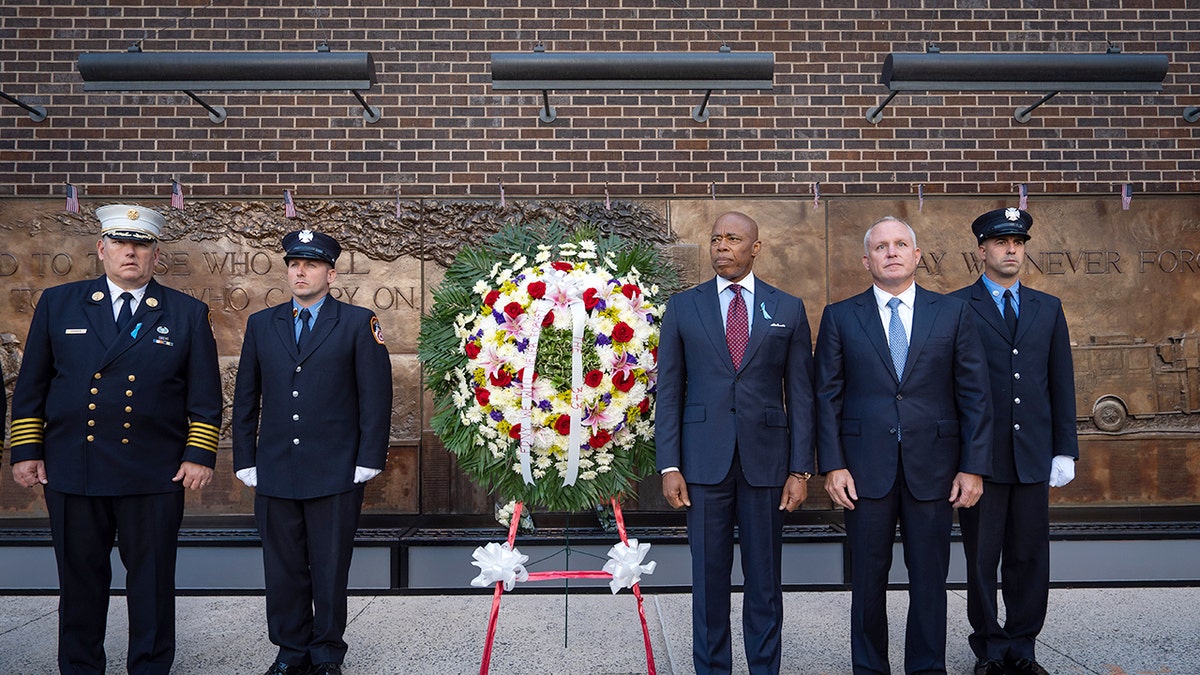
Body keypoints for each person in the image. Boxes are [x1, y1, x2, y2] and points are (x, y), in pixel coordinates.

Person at [9, 204, 222, 674]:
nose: (131, 252)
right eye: (121, 243)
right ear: (101, 250)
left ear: (156, 255)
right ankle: (82, 668)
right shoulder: (59, 303)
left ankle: (149, 667)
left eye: (141, 244)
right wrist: (26, 451)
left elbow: (206, 398)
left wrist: (199, 455)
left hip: (153, 471)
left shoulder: (185, 313)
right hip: (73, 466)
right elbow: (32, 388)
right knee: (80, 581)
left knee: (151, 581)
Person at [815, 216, 992, 674]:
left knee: (930, 580)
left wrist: (972, 467)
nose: (890, 252)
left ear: (916, 256)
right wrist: (832, 465)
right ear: (867, 260)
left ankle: (927, 668)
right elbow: (826, 397)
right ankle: (870, 668)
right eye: (880, 246)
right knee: (868, 583)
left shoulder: (952, 313)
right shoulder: (840, 316)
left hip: (934, 472)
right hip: (863, 472)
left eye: (900, 245)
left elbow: (974, 394)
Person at [655, 211, 816, 674]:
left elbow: (801, 396)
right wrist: (670, 465)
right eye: (716, 239)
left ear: (756, 248)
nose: (722, 246)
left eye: (733, 239)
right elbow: (668, 390)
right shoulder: (684, 307)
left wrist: (800, 469)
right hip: (702, 466)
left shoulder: (786, 308)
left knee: (764, 582)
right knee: (708, 581)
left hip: (768, 466)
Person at [232, 229, 393, 675]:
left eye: (311, 264)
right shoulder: (263, 325)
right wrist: (245, 458)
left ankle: (325, 654)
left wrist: (368, 458)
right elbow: (247, 397)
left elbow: (375, 397)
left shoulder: (359, 323)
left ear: (331, 272)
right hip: (275, 468)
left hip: (336, 468)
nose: (299, 271)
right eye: (293, 264)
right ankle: (290, 651)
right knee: (282, 569)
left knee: (328, 568)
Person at [950, 207, 1078, 675]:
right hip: (981, 460)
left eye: (1018, 243)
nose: (1011, 250)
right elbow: (950, 389)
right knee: (981, 558)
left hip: (1031, 458)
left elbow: (1059, 382)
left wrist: (1065, 448)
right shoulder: (956, 306)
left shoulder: (1048, 307)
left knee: (1028, 556)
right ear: (981, 249)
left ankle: (1023, 647)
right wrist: (959, 457)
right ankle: (989, 649)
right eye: (1002, 243)